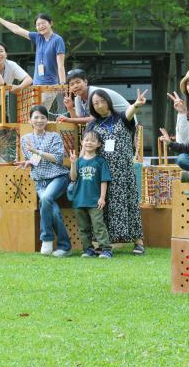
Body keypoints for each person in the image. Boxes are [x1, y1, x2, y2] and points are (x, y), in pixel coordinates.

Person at [87, 88, 148, 255]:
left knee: (130, 203)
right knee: (103, 207)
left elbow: (130, 112)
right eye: (95, 103)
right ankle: (101, 243)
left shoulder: (121, 117)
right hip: (102, 173)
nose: (100, 105)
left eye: (102, 101)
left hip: (124, 171)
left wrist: (136, 104)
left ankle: (138, 243)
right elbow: (87, 145)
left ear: (108, 101)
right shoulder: (92, 125)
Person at [18, 105, 71, 257]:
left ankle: (46, 239)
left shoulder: (54, 136)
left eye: (43, 117)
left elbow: (58, 159)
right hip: (40, 181)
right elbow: (34, 159)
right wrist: (28, 162)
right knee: (52, 210)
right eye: (36, 117)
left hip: (58, 177)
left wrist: (37, 151)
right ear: (30, 120)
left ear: (47, 120)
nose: (39, 120)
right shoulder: (25, 139)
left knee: (46, 199)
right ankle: (65, 247)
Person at [0, 7, 66, 113]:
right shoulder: (38, 38)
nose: (40, 26)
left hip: (49, 85)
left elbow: (60, 65)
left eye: (43, 23)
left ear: (51, 23)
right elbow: (16, 29)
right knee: (34, 113)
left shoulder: (57, 40)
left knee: (38, 112)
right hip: (36, 84)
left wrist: (62, 83)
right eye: (37, 24)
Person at [68, 130, 113, 259]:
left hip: (95, 201)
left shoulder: (100, 161)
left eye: (93, 140)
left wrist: (102, 198)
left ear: (99, 144)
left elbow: (104, 180)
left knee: (98, 225)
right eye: (87, 140)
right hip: (79, 200)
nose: (89, 143)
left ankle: (106, 249)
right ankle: (88, 249)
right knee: (83, 228)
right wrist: (73, 163)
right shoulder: (78, 161)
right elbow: (73, 178)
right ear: (82, 142)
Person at [57, 69, 133, 125]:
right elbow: (78, 120)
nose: (75, 86)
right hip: (111, 121)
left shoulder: (94, 93)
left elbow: (94, 119)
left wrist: (68, 120)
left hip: (126, 119)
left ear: (85, 82)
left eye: (78, 82)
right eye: (72, 84)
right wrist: (70, 108)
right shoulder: (78, 97)